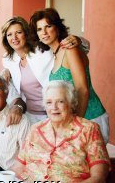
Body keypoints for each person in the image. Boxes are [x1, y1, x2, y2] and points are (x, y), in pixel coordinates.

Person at [12, 81, 110, 183]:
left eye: (60, 102)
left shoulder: (89, 130)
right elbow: (18, 167)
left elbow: (99, 179)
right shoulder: (36, 129)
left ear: (71, 103)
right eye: (49, 102)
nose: (54, 108)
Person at [29, 8, 109, 143]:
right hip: (72, 121)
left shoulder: (69, 49)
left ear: (57, 27)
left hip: (89, 118)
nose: (44, 32)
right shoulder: (56, 53)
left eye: (48, 26)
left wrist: (76, 124)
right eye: (39, 29)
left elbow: (82, 89)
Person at [1, 16, 88, 124]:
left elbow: (81, 48)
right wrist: (5, 70)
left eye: (18, 32)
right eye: (9, 34)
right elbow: (9, 72)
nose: (14, 37)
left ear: (26, 33)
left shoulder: (43, 50)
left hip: (54, 112)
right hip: (29, 115)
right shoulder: (8, 59)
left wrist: (79, 40)